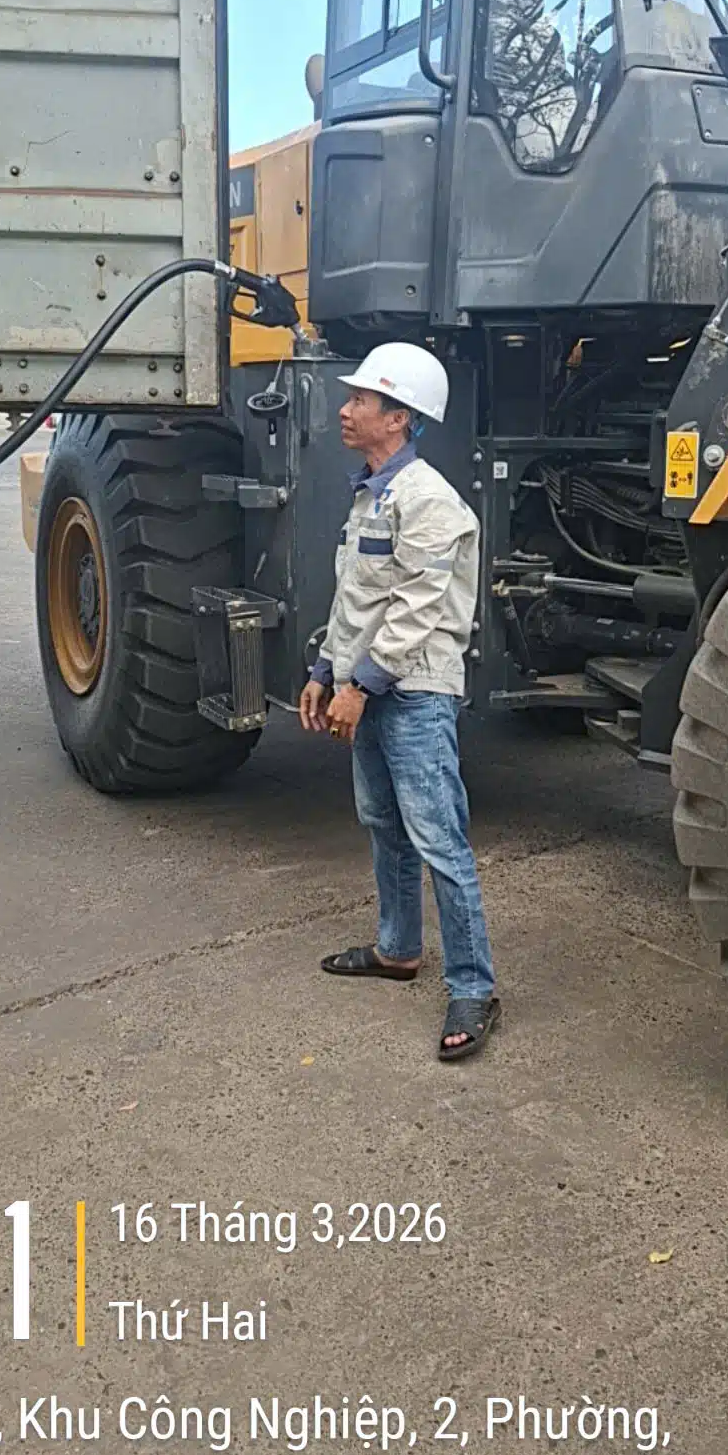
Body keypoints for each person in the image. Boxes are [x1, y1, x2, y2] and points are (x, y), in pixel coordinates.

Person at [299, 344, 499, 1061]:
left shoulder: (429, 501)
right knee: (384, 823)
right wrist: (325, 668)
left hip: (412, 694)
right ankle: (399, 949)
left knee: (438, 838)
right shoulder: (373, 495)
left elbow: (417, 609)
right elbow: (357, 598)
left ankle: (474, 987)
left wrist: (358, 687)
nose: (346, 409)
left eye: (362, 400)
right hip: (370, 687)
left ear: (400, 418)